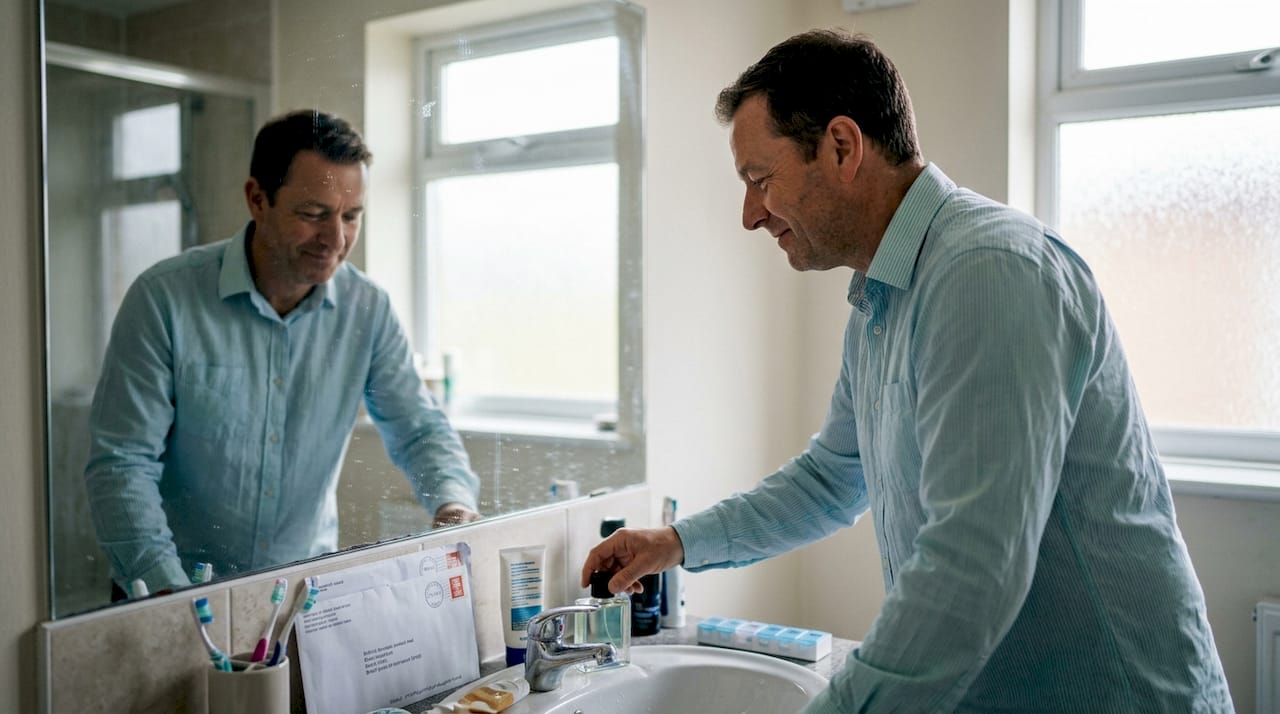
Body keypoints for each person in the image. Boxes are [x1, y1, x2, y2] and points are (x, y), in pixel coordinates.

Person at [581, 30, 1233, 712]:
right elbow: (831, 480)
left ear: (841, 146)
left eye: (759, 180)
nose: (749, 216)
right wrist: (676, 543)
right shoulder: (879, 302)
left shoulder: (988, 274)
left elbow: (969, 571)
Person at [85, 109, 481, 598]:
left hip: (302, 597)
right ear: (258, 199)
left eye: (351, 216)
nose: (336, 240)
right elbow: (122, 464)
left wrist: (453, 503)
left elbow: (419, 429)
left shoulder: (368, 310)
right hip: (168, 590)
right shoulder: (164, 299)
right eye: (314, 214)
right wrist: (169, 595)